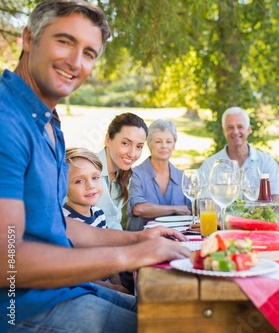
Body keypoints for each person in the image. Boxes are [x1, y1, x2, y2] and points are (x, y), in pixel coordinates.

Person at [0, 1, 190, 332]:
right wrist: (129, 257)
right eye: (64, 41)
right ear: (29, 39)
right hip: (20, 310)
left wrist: (139, 241)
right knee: (178, 326)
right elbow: (7, 262)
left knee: (181, 308)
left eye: (89, 53)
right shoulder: (6, 119)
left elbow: (56, 223)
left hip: (62, 291)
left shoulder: (48, 121)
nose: (75, 62)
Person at [63, 147, 129, 293]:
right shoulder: (65, 221)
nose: (90, 185)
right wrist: (113, 288)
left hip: (108, 283)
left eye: (95, 177)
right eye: (79, 181)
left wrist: (119, 285)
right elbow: (77, 274)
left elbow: (107, 256)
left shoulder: (99, 214)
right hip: (85, 289)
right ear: (63, 187)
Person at [199, 106, 279, 200]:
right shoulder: (210, 165)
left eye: (240, 127)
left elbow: (274, 199)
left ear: (249, 130)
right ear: (223, 131)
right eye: (230, 127)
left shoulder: (267, 162)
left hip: (256, 215)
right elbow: (203, 201)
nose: (235, 131)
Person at [126, 119, 191, 231]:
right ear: (149, 144)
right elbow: (138, 209)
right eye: (158, 141)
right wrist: (175, 209)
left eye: (169, 141)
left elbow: (192, 211)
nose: (164, 146)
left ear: (174, 145)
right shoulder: (135, 174)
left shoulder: (182, 177)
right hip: (141, 240)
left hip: (178, 239)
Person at [96, 112, 148, 230]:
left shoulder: (123, 176)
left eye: (139, 146)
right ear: (108, 139)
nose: (132, 154)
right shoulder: (85, 169)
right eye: (125, 143)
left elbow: (114, 224)